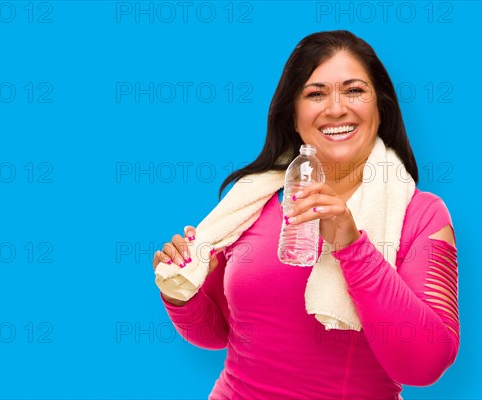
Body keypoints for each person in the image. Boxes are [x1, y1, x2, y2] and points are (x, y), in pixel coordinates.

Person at [152, 30, 459, 399]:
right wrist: (181, 294)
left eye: (354, 90)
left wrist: (351, 246)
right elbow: (217, 333)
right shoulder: (249, 202)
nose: (335, 108)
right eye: (316, 93)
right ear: (293, 117)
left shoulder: (422, 215)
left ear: (382, 108)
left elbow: (424, 364)